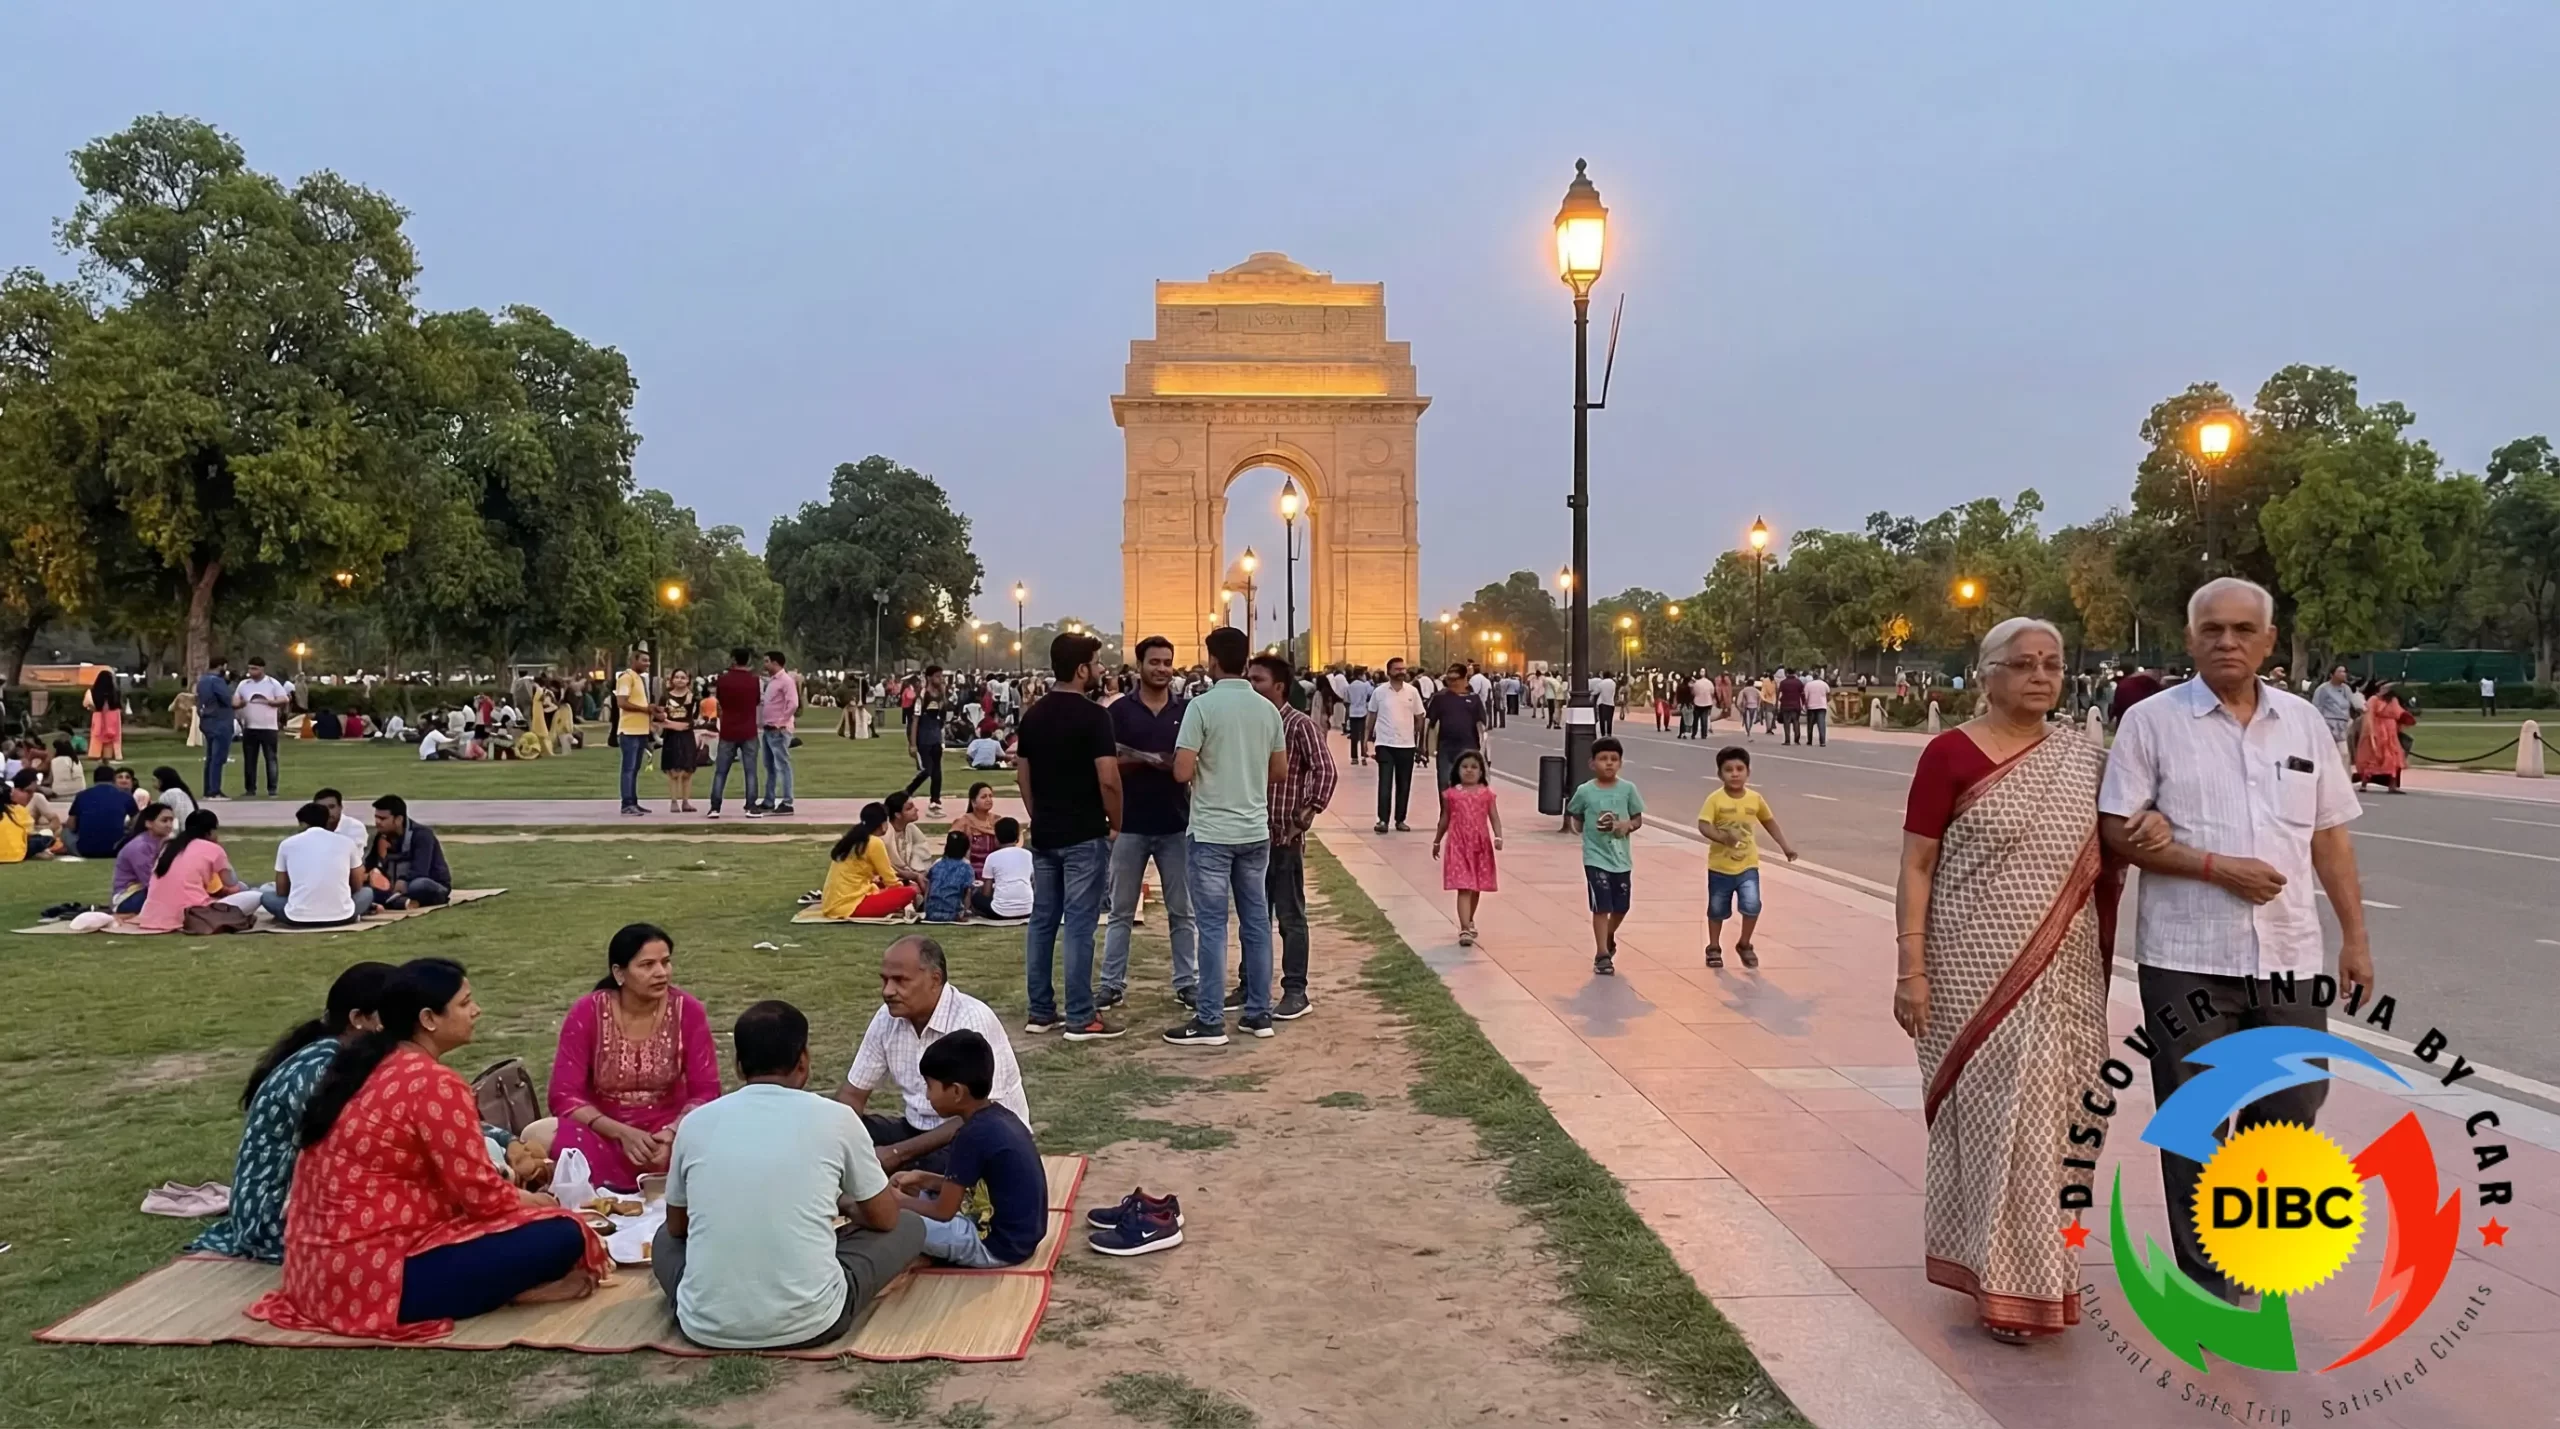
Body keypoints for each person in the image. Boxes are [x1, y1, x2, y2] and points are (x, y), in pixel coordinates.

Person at [2097, 577, 2374, 1311]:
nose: (2228, 641)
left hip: (2289, 951)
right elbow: (2117, 831)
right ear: (2190, 639)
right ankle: (2207, 1276)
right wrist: (2212, 865)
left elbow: (2329, 836)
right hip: (2186, 952)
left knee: (2295, 1096)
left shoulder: (2304, 725)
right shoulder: (2153, 722)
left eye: (2243, 629)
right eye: (2212, 629)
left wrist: (2355, 938)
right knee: (2195, 1109)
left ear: (2268, 640)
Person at [1896, 615, 2127, 1343]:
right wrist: (1911, 967)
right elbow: (1916, 866)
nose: (2040, 676)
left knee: (2058, 1121)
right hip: (1972, 969)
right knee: (1999, 1123)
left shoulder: (2085, 759)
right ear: (1987, 673)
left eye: (2052, 664)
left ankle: (2043, 1273)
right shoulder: (1949, 755)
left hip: (2065, 973)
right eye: (2024, 663)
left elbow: (2113, 854)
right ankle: (2001, 1279)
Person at [250, 959, 607, 1341]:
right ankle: (515, 1290)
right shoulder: (432, 1083)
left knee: (537, 1222)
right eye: (465, 1002)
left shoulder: (363, 1066)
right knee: (564, 1233)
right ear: (429, 1019)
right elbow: (482, 1197)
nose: (476, 1011)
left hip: (313, 1276)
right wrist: (536, 1205)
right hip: (376, 1276)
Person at [654, 999, 925, 1350]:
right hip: (814, 1322)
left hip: (705, 1325)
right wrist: (843, 1205)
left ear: (738, 1066)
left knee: (663, 1239)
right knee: (910, 1226)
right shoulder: (838, 1119)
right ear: (803, 1062)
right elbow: (887, 1218)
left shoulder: (694, 1124)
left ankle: (721, 1297)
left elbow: (677, 1228)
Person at [189, 963, 396, 1262]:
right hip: (271, 1220)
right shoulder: (319, 1068)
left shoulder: (344, 1059)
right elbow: (362, 1144)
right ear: (358, 1019)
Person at [1167, 626, 1287, 1048]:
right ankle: (1259, 1013)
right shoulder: (1268, 710)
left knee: (1213, 927)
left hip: (1213, 831)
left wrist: (1205, 769)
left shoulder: (1202, 707)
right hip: (1255, 830)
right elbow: (1279, 772)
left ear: (1213, 660)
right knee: (1256, 924)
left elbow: (1181, 770)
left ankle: (1210, 1019)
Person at [549, 923, 723, 1192]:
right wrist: (622, 1133)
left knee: (725, 1140)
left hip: (668, 1135)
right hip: (603, 1134)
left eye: (666, 962)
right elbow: (563, 1096)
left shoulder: (687, 1011)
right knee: (537, 1134)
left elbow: (707, 1091)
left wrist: (671, 1134)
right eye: (647, 965)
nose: (661, 973)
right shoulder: (588, 1012)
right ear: (619, 973)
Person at [836, 935, 1031, 1174]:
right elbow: (853, 1094)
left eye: (900, 981)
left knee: (921, 1166)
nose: (887, 991)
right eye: (884, 980)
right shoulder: (887, 1017)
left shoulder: (971, 1019)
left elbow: (979, 1115)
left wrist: (898, 1153)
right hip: (918, 1130)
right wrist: (836, 1134)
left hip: (981, 1134)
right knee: (838, 1129)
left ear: (934, 979)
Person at [1016, 632, 1124, 1041]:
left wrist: (1038, 813)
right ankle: (1081, 1015)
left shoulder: (1033, 715)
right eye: (1096, 664)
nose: (1100, 671)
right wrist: (1116, 820)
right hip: (1083, 833)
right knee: (1079, 926)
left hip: (1046, 832)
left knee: (1043, 923)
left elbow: (1022, 774)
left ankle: (1041, 1010)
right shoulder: (1096, 717)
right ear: (1082, 670)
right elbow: (1109, 778)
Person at [891, 1029, 1048, 1268]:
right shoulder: (1000, 1116)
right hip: (1021, 1239)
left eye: (930, 1086)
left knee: (888, 1219)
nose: (926, 1095)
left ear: (955, 1092)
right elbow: (966, 1186)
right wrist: (924, 1179)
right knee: (917, 1197)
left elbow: (943, 1210)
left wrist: (896, 1201)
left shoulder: (970, 1136)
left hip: (995, 1247)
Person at [1104, 636, 1197, 1008]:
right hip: (1130, 823)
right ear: (1139, 665)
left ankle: (1187, 982)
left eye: (1167, 662)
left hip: (1176, 822)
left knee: (1182, 911)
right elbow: (1107, 762)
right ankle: (1112, 983)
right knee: (1121, 911)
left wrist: (1174, 762)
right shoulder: (1119, 712)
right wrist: (1146, 761)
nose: (1161, 669)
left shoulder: (1188, 710)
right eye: (1154, 662)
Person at [1250, 653, 1336, 1021]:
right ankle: (1249, 983)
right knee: (1254, 918)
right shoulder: (1251, 723)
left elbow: (1326, 770)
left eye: (1258, 680)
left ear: (1280, 686)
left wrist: (1308, 812)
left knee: (1289, 916)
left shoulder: (1298, 725)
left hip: (1285, 837)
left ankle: (1295, 989)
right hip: (1251, 835)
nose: (1251, 686)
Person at [1697, 746, 1799, 969]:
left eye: (1740, 769)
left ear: (1748, 772)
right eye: (1728, 770)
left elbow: (1769, 822)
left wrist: (1785, 846)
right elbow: (1703, 825)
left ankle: (1745, 943)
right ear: (1719, 774)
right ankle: (1713, 947)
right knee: (1717, 909)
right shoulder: (1715, 799)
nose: (1735, 774)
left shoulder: (1755, 798)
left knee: (1752, 905)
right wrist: (1722, 838)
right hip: (1720, 867)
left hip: (1748, 865)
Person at [1563, 737, 1642, 976]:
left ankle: (1608, 934)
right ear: (1592, 763)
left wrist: (1626, 825)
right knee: (1601, 905)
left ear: (1620, 763)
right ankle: (1602, 954)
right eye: (1603, 759)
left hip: (1621, 859)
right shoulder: (1585, 791)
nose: (1609, 763)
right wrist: (1585, 832)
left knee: (1622, 906)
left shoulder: (1628, 789)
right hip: (1595, 858)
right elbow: (1575, 815)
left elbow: (1637, 818)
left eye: (1614, 759)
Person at [135, 810, 261, 928]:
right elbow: (232, 882)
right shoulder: (213, 848)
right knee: (256, 896)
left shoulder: (169, 846)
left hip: (153, 916)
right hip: (193, 914)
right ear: (210, 832)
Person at [260, 800, 372, 926]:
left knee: (265, 896)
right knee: (367, 893)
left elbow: (281, 890)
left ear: (303, 823)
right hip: (343, 916)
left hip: (297, 918)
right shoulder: (347, 842)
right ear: (327, 821)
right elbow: (357, 884)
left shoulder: (287, 844)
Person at [1432, 748, 1503, 947]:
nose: (1469, 771)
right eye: (1465, 767)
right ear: (1457, 770)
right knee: (1464, 886)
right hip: (1458, 844)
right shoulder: (1451, 795)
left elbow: (1494, 817)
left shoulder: (1486, 794)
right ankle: (1464, 928)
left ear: (1482, 772)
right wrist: (1437, 840)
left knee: (1476, 886)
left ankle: (1469, 919)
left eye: (1474, 767)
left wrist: (1498, 836)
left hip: (1480, 845)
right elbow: (1444, 819)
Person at [817, 803, 919, 919]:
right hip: (850, 905)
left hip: (834, 902)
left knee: (881, 885)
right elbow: (891, 882)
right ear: (883, 824)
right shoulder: (874, 842)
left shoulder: (854, 838)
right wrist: (908, 887)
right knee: (910, 891)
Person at [1368, 657, 1427, 833]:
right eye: (1397, 669)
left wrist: (1418, 738)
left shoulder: (1412, 692)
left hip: (1406, 744)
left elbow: (1420, 716)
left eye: (1403, 669)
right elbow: (1371, 715)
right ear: (1388, 672)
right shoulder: (1379, 692)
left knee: (1404, 784)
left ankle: (1400, 820)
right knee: (1385, 783)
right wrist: (1366, 739)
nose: (1401, 672)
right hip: (1384, 743)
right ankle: (1383, 820)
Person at [365, 795, 453, 909]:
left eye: (383, 819)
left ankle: (395, 901)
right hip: (392, 886)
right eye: (376, 817)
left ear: (399, 819)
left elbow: (420, 870)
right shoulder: (380, 837)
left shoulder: (422, 835)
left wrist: (403, 880)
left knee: (417, 885)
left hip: (427, 883)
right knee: (363, 888)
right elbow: (369, 865)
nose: (377, 822)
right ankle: (402, 901)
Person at [705, 648, 760, 817]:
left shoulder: (723, 680)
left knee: (721, 771)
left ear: (733, 660)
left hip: (728, 729)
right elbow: (757, 700)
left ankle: (715, 806)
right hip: (749, 729)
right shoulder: (754, 680)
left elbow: (720, 699)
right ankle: (751, 805)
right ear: (748, 660)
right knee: (750, 770)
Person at [232, 657, 290, 796]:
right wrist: (241, 704)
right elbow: (235, 701)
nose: (251, 671)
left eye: (255, 669)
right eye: (250, 668)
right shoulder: (244, 684)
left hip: (268, 727)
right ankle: (250, 789)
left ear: (262, 669)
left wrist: (270, 702)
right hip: (250, 727)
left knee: (271, 758)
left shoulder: (272, 683)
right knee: (250, 760)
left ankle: (272, 789)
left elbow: (284, 699)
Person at [1425, 664, 1485, 792]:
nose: (1451, 683)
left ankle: (1465, 812)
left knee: (1467, 785)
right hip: (1445, 749)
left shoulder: (1474, 699)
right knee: (1445, 785)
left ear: (1464, 679)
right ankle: (1445, 812)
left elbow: (1481, 725)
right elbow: (1430, 723)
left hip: (1469, 749)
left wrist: (1483, 749)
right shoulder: (1440, 698)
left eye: (1455, 679)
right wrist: (1427, 748)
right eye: (1449, 679)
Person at [111, 802, 176, 913]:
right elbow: (150, 881)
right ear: (149, 824)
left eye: (171, 821)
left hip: (146, 892)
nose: (169, 825)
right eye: (164, 821)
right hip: (127, 898)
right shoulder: (139, 847)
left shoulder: (163, 842)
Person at [903, 666, 950, 815]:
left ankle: (935, 802)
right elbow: (915, 720)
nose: (940, 679)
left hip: (936, 737)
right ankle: (906, 793)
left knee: (937, 771)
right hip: (923, 738)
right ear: (929, 678)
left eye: (941, 676)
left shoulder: (941, 695)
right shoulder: (922, 696)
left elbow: (942, 719)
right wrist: (913, 744)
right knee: (927, 770)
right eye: (937, 676)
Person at [2354, 680, 2416, 793]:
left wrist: (2407, 717)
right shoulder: (2373, 700)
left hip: (2391, 733)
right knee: (2372, 758)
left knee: (2393, 758)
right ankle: (2364, 783)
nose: (2383, 690)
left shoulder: (2393, 701)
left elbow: (2398, 713)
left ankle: (2392, 785)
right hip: (2377, 731)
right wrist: (2370, 732)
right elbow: (2369, 715)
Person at [612, 649, 654, 816]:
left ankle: (633, 802)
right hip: (629, 730)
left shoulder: (639, 679)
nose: (647, 663)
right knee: (628, 768)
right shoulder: (626, 677)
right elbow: (621, 702)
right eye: (644, 660)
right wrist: (645, 709)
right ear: (633, 660)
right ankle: (627, 803)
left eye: (648, 660)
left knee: (635, 768)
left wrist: (652, 712)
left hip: (640, 730)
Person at [758, 651, 799, 817]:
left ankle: (788, 802)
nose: (764, 664)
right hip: (768, 729)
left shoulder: (786, 681)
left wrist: (782, 721)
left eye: (767, 661)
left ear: (775, 663)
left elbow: (793, 703)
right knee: (770, 766)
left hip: (779, 730)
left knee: (782, 765)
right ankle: (769, 799)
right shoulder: (773, 682)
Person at [64, 764, 134, 860]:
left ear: (94, 779)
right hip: (116, 850)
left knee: (65, 831)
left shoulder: (82, 795)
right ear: (113, 779)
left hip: (84, 850)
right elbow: (138, 823)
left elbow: (70, 825)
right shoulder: (125, 795)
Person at [659, 668, 703, 813]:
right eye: (676, 677)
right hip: (671, 736)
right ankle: (673, 801)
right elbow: (658, 719)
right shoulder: (664, 698)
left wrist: (685, 725)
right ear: (671, 680)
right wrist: (675, 726)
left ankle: (686, 801)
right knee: (673, 771)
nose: (679, 680)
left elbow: (695, 719)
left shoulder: (693, 698)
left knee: (687, 770)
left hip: (687, 736)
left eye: (683, 677)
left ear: (688, 680)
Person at [973, 816, 1034, 920]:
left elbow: (986, 893)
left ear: (996, 838)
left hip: (1000, 912)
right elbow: (1032, 882)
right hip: (1028, 910)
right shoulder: (1028, 854)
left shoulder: (992, 857)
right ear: (1018, 838)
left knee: (975, 897)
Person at [195, 657, 237, 799]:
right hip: (220, 721)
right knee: (218, 758)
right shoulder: (217, 681)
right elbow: (226, 699)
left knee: (211, 757)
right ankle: (215, 790)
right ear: (221, 666)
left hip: (207, 721)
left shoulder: (202, 681)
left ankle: (208, 789)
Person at [2311, 664, 2360, 763]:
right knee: (2328, 753)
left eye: (2344, 672)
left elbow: (2352, 703)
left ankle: (2345, 777)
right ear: (2331, 674)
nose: (2343, 674)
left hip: (2343, 725)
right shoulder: (2323, 689)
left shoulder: (2346, 689)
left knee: (2344, 754)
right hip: (2328, 723)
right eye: (2340, 671)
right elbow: (2316, 707)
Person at [922, 830, 976, 922]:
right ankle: (964, 912)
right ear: (966, 849)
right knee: (972, 888)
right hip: (953, 912)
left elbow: (928, 885)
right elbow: (968, 891)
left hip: (931, 913)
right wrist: (966, 911)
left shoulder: (937, 864)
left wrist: (925, 909)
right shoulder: (966, 867)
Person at [0, 778, 57, 863]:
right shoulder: (16, 809)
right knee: (46, 838)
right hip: (17, 854)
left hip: (15, 852)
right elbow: (29, 832)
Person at [952, 781, 1002, 875]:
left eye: (990, 796)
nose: (988, 799)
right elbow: (954, 851)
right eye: (984, 797)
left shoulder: (997, 821)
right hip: (971, 871)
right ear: (973, 802)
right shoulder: (963, 823)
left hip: (995, 871)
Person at [84, 668, 124, 761]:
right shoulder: (115, 692)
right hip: (114, 715)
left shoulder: (92, 691)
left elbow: (87, 703)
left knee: (97, 735)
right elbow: (119, 705)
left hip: (98, 715)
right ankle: (111, 754)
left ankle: (95, 754)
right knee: (113, 736)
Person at [314, 787, 367, 851]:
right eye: (321, 808)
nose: (327, 812)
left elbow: (353, 856)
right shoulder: (311, 827)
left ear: (340, 807)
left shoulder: (355, 827)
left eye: (331, 807)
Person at [1344, 666, 1375, 765]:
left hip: (1353, 713)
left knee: (1354, 736)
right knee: (1363, 735)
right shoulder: (1365, 685)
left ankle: (1354, 757)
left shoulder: (1349, 686)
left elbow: (1347, 700)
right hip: (1363, 712)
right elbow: (1372, 694)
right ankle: (1363, 756)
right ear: (1362, 675)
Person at [1802, 670, 1832, 747]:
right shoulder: (1824, 684)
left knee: (1810, 725)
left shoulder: (1808, 685)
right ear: (1819, 676)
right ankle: (1822, 741)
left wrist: (1805, 705)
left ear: (1813, 677)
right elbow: (1829, 695)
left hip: (1811, 706)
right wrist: (1825, 701)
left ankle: (1809, 740)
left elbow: (1806, 697)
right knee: (1821, 724)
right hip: (1821, 706)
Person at [1589, 670, 1617, 736]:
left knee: (1602, 720)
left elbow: (1596, 691)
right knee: (1609, 720)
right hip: (1611, 703)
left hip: (1602, 703)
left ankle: (1603, 734)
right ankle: (1609, 734)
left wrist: (1591, 694)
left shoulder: (1602, 683)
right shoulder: (1613, 683)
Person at [1735, 676, 1762, 740]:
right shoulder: (1757, 691)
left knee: (1746, 720)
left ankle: (1748, 731)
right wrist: (1758, 707)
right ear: (1753, 683)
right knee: (1751, 720)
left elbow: (1739, 701)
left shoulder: (1744, 690)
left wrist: (1740, 708)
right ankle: (1750, 730)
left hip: (1746, 706)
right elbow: (1760, 699)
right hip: (1754, 706)